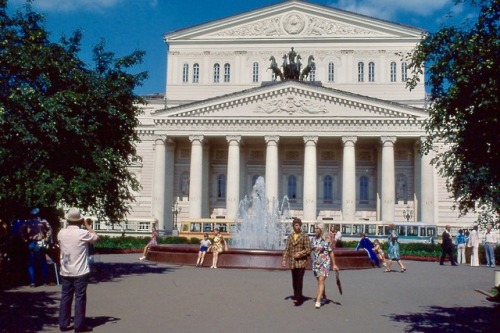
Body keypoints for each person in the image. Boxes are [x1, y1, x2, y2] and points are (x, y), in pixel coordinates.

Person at [58, 207, 99, 333]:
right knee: (80, 298)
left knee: (65, 296)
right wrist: (86, 225)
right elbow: (96, 237)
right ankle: (78, 325)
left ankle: (63, 324)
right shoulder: (82, 233)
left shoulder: (61, 233)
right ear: (79, 220)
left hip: (65, 270)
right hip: (80, 271)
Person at [281, 217, 311, 306]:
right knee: (294, 281)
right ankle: (297, 295)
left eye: (299, 225)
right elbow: (287, 249)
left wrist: (300, 254)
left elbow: (309, 249)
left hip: (301, 262)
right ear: (293, 226)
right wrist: (284, 259)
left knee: (299, 279)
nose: (297, 227)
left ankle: (298, 298)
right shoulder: (290, 237)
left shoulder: (304, 236)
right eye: (296, 225)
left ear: (300, 226)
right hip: (293, 262)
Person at [310, 223, 338, 309]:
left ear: (321, 230)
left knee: (321, 280)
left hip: (325, 263)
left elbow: (331, 252)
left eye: (317, 229)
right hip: (316, 263)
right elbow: (311, 250)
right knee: (319, 281)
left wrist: (334, 264)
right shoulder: (313, 239)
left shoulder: (327, 240)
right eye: (315, 228)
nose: (316, 230)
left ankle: (318, 300)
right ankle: (324, 295)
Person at [24, 208, 52, 287]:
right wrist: (46, 237)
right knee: (42, 262)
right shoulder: (43, 221)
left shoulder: (28, 222)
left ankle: (32, 282)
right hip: (39, 242)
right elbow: (50, 229)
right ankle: (45, 281)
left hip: (30, 242)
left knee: (31, 263)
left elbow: (21, 230)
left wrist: (25, 239)